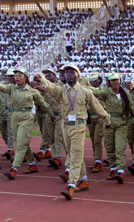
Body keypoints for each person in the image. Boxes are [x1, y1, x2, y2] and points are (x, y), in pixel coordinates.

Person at [35, 63, 111, 200]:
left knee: (75, 155)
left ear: (78, 74)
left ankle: (71, 185)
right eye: (66, 72)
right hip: (65, 126)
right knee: (74, 153)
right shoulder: (61, 90)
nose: (68, 74)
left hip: (79, 127)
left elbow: (97, 106)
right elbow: (50, 87)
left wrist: (107, 119)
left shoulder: (85, 92)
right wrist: (42, 79)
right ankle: (84, 180)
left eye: (72, 71)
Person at [0, 68, 53, 180]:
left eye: (20, 75)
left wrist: (52, 115)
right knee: (21, 142)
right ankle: (32, 165)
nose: (17, 77)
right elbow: (2, 87)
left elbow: (43, 104)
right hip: (14, 116)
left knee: (20, 145)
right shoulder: (12, 88)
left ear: (26, 77)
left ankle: (14, 169)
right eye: (16, 76)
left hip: (26, 117)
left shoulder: (32, 90)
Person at [92, 72, 131, 183]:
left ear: (120, 81)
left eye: (116, 80)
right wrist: (85, 87)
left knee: (120, 147)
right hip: (109, 122)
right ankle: (113, 169)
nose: (115, 82)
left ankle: (120, 171)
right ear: (109, 82)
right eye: (112, 80)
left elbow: (130, 107)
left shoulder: (126, 94)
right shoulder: (106, 93)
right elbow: (96, 92)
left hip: (121, 123)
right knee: (109, 146)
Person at [41, 68, 65, 170]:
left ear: (55, 77)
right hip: (49, 114)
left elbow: (52, 88)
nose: (47, 77)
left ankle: (57, 157)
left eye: (50, 75)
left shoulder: (60, 85)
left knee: (58, 136)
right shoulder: (44, 87)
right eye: (46, 76)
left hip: (59, 115)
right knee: (51, 137)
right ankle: (56, 155)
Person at [87, 72, 106, 173]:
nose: (93, 82)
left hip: (100, 117)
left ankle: (98, 161)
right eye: (91, 80)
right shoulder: (87, 90)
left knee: (97, 140)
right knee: (92, 139)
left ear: (99, 79)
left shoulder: (105, 90)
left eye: (95, 79)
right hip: (90, 116)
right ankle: (96, 159)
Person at [0, 69, 15, 160]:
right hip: (3, 111)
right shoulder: (4, 84)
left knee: (10, 131)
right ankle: (10, 147)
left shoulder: (16, 86)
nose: (10, 78)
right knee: (3, 131)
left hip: (11, 111)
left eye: (12, 76)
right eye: (8, 76)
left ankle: (10, 149)